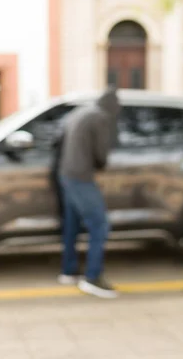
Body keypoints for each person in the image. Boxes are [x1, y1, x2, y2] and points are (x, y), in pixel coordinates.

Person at [57, 88, 121, 298]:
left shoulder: (80, 112)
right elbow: (101, 153)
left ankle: (69, 271)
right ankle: (92, 278)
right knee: (100, 225)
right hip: (82, 177)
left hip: (66, 173)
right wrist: (101, 165)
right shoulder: (100, 117)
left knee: (72, 226)